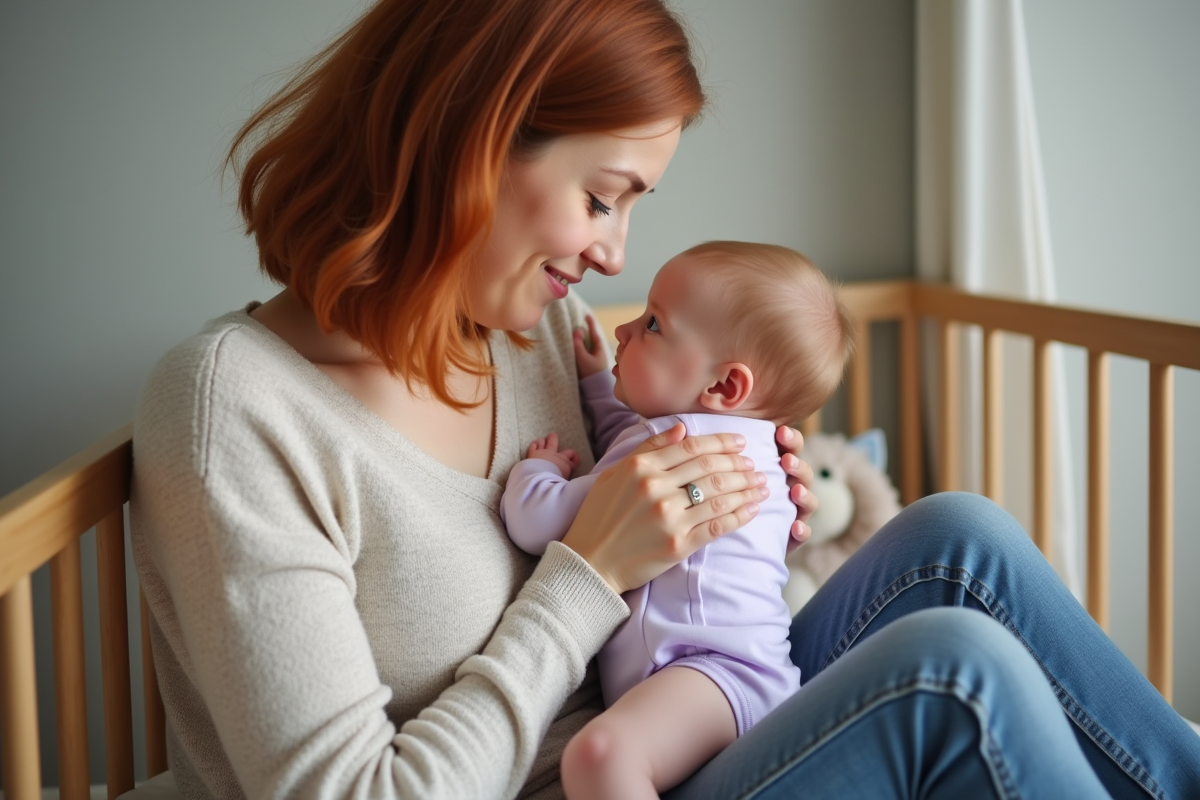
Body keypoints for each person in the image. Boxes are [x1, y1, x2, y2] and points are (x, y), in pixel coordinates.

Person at [128, 0, 1200, 798]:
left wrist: (737, 500)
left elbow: (650, 487)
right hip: (602, 774)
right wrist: (585, 573)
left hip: (667, 724)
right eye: (600, 198)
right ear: (472, 142)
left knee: (954, 537)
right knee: (954, 674)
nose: (611, 252)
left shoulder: (533, 325)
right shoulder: (239, 410)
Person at [499, 241, 854, 798]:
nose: (623, 331)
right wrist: (598, 381)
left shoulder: (665, 453)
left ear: (722, 386)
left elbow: (534, 521)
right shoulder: (756, 451)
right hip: (735, 679)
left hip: (710, 674)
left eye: (654, 324)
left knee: (599, 755)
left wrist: (535, 472)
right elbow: (630, 424)